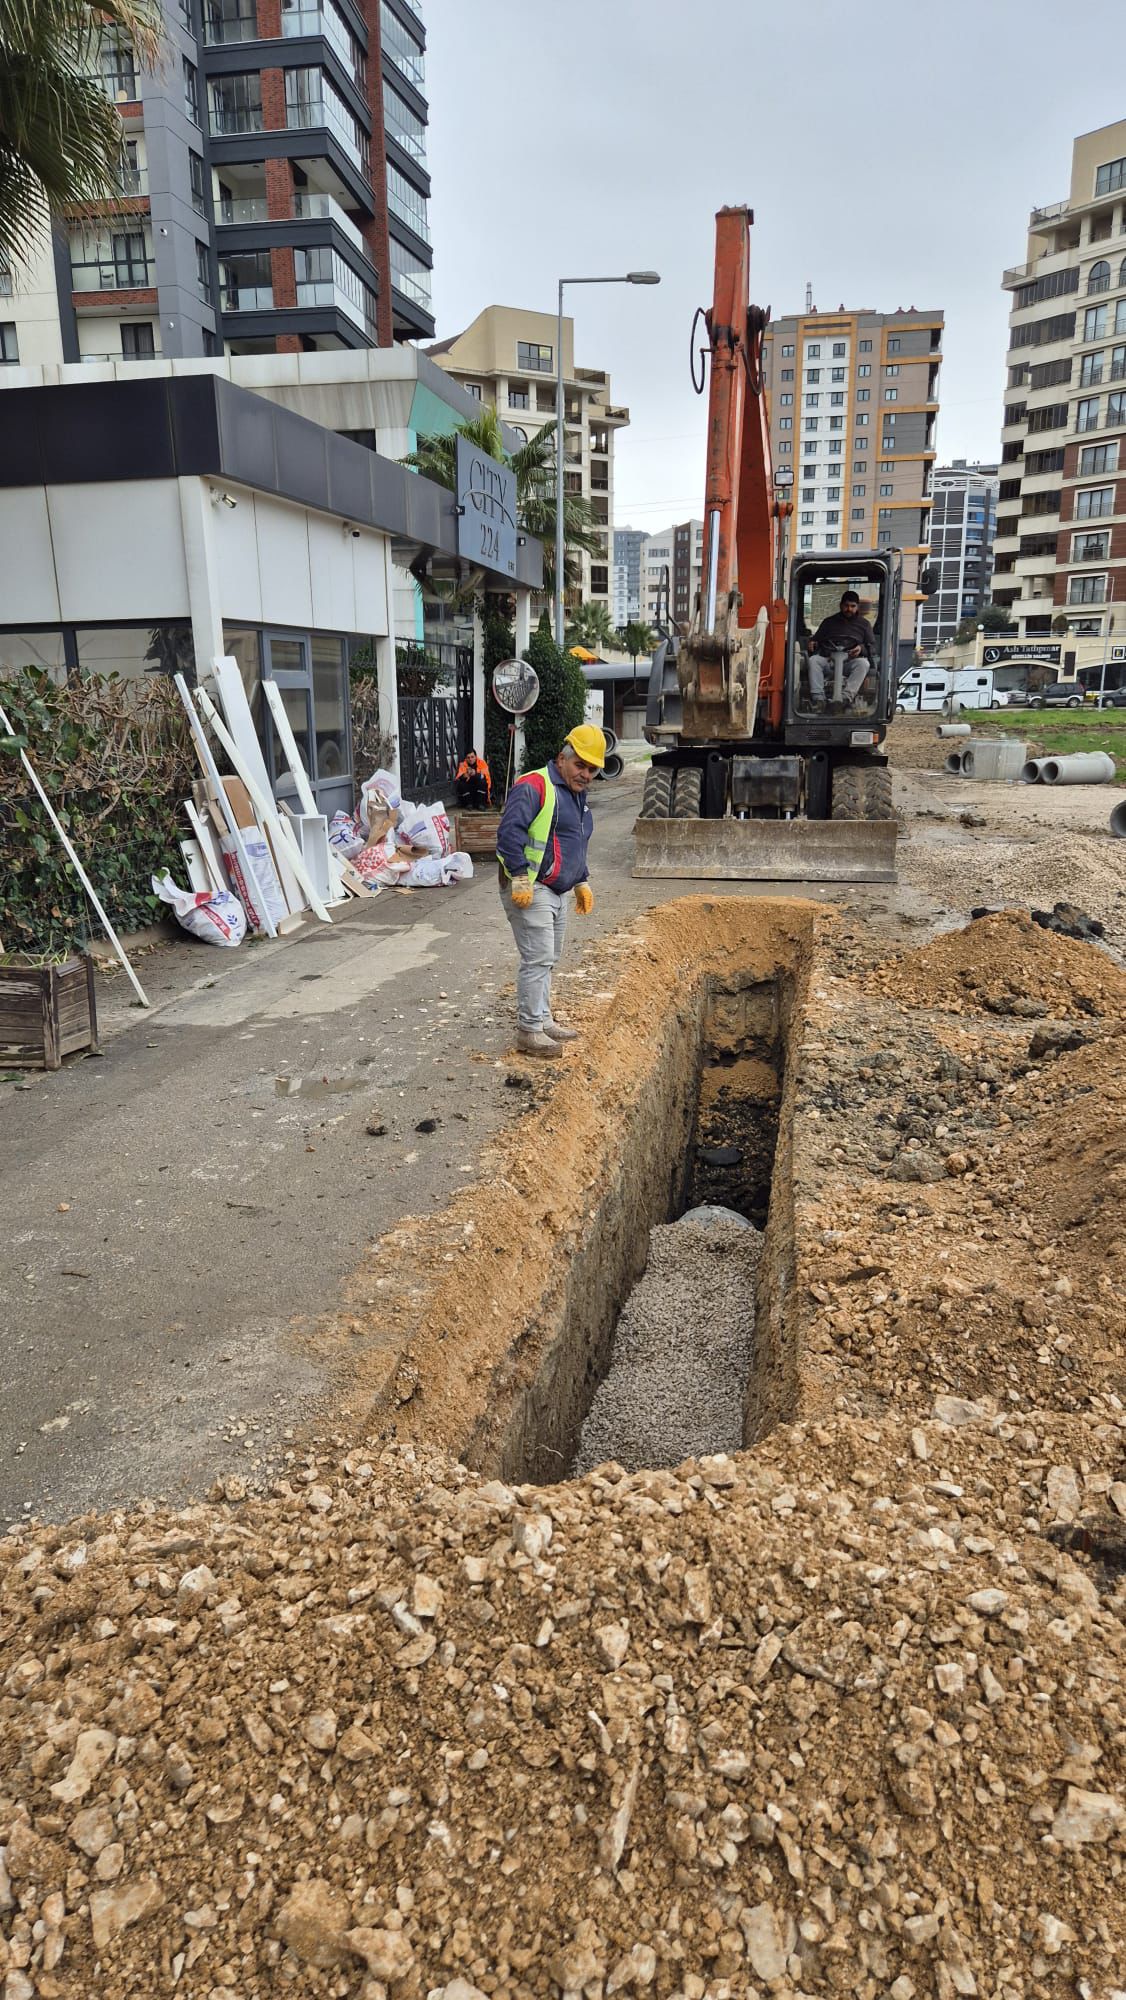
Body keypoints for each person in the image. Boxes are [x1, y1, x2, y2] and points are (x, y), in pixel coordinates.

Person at [495, 723, 605, 1058]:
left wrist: (581, 881)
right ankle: (529, 1030)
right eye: (580, 765)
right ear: (562, 758)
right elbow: (508, 834)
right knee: (538, 957)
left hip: (556, 889)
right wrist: (519, 877)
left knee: (549, 958)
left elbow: (574, 843)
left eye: (592, 769)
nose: (585, 774)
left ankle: (542, 1019)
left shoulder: (576, 795)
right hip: (532, 886)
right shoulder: (534, 786)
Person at [807, 590, 876, 710]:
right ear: (841, 605)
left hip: (849, 663)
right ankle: (819, 699)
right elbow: (816, 639)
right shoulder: (828, 622)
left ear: (857, 606)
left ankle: (845, 698)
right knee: (814, 660)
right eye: (846, 606)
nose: (849, 609)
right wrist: (812, 642)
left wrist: (861, 648)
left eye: (852, 606)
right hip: (829, 662)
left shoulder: (864, 625)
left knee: (863, 663)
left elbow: (872, 647)